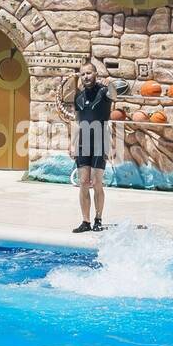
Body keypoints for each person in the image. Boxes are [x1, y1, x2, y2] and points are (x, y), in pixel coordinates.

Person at [71, 61, 115, 233]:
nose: (85, 77)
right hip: (83, 142)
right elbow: (76, 122)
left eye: (89, 73)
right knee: (83, 182)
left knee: (97, 182)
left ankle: (98, 219)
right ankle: (85, 221)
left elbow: (115, 95)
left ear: (95, 74)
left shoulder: (104, 92)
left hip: (100, 139)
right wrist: (72, 144)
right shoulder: (78, 96)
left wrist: (110, 83)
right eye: (82, 74)